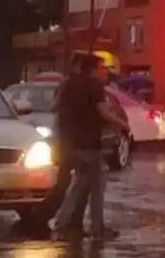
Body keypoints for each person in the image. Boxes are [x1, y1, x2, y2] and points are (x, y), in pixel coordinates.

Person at [53, 54, 125, 241]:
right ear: (92, 69)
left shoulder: (68, 85)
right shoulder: (94, 86)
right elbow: (102, 111)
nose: (105, 71)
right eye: (102, 67)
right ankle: (96, 227)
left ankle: (62, 221)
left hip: (70, 143)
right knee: (97, 186)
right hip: (88, 144)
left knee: (80, 183)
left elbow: (57, 110)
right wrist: (122, 123)